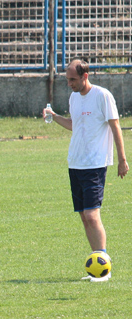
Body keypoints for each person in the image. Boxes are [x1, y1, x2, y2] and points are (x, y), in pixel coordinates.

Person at [42, 59, 128, 281]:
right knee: (83, 216)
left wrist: (122, 159)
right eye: (67, 79)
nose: (69, 83)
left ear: (85, 76)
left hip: (95, 164)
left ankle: (103, 267)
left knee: (92, 214)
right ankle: (96, 268)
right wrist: (54, 117)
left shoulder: (102, 96)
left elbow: (115, 126)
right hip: (75, 163)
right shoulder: (73, 98)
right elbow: (75, 125)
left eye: (72, 79)